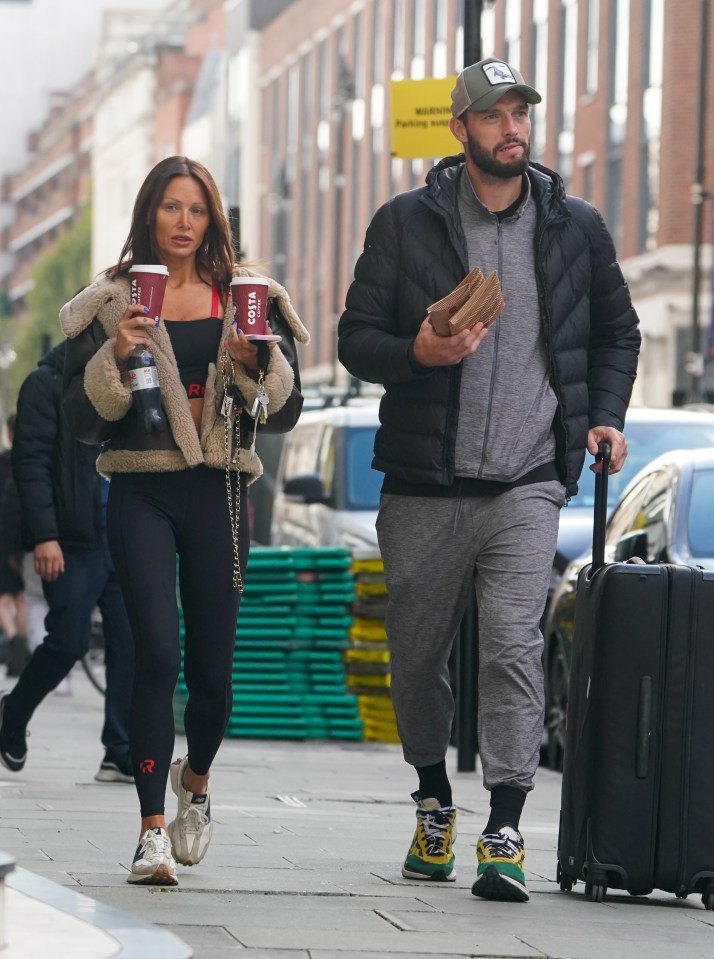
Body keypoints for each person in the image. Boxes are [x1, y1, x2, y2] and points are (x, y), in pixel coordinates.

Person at [338, 57, 640, 903]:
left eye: (521, 113)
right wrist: (417, 354)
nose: (513, 128)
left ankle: (504, 823)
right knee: (416, 658)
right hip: (424, 484)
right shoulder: (406, 224)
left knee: (514, 647)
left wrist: (602, 417)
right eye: (495, 115)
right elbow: (354, 338)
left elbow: (618, 332)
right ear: (460, 129)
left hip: (526, 483)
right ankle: (434, 798)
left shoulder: (574, 226)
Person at [59, 156, 308, 887]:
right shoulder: (110, 302)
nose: (183, 221)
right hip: (142, 489)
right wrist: (118, 350)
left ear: (213, 219)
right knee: (153, 655)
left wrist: (255, 360)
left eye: (196, 209)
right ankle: (150, 832)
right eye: (170, 207)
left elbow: (286, 411)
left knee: (212, 676)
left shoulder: (247, 297)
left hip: (223, 494)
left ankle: (193, 780)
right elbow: (78, 417)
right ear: (149, 214)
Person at [0, 340, 136, 783]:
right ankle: (13, 711)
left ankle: (119, 750)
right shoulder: (46, 384)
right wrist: (43, 537)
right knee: (69, 640)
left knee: (131, 641)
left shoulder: (134, 376)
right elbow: (31, 465)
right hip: (72, 538)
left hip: (124, 533)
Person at [0, 413, 28, 677]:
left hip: (4, 537)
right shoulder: (33, 461)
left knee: (2, 598)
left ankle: (13, 640)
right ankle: (21, 641)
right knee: (21, 597)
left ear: (9, 433)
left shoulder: (3, 463)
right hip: (28, 539)